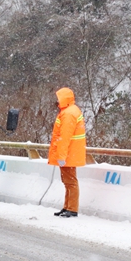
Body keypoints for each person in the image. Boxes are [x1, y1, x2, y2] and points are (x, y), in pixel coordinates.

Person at [48, 87, 86, 218]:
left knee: (70, 181)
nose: (56, 100)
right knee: (68, 181)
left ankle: (72, 209)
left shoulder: (68, 113)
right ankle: (67, 207)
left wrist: (61, 155)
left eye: (58, 98)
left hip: (69, 153)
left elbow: (64, 137)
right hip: (71, 152)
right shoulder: (70, 111)